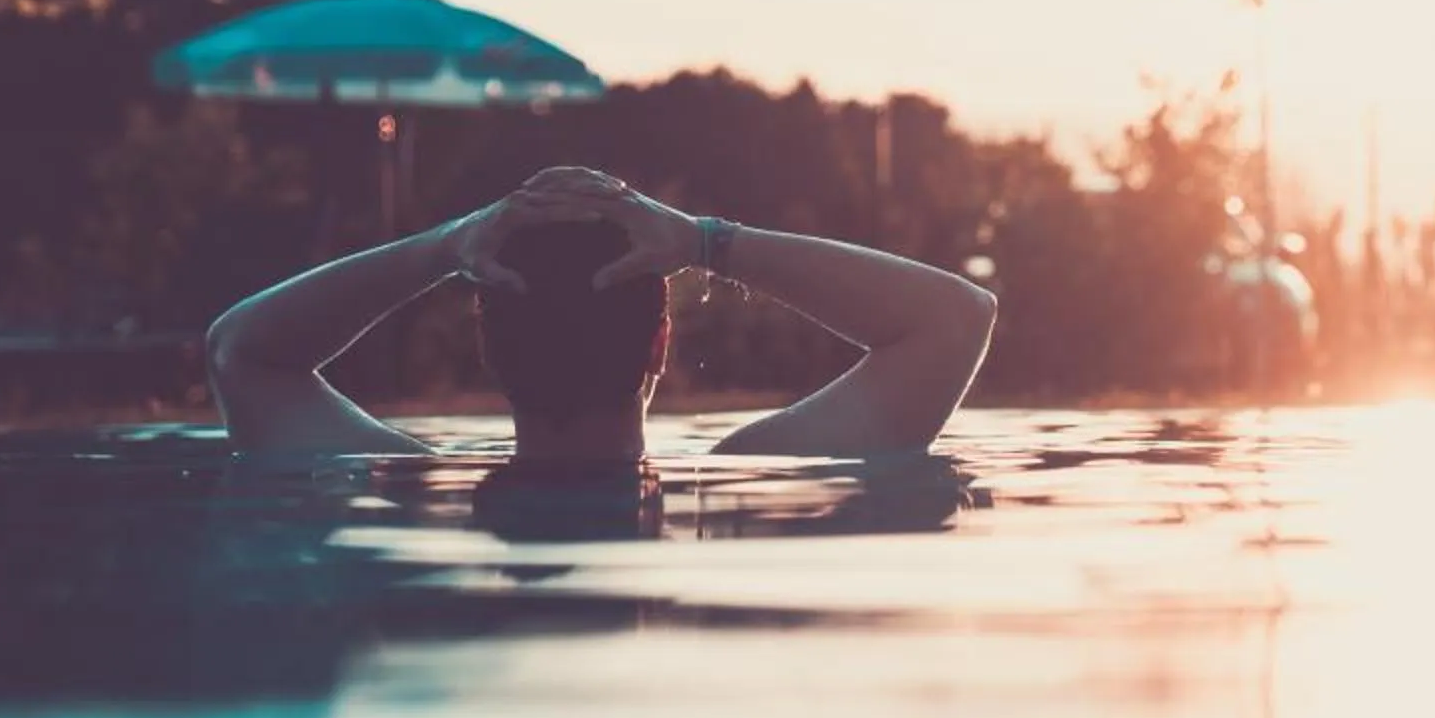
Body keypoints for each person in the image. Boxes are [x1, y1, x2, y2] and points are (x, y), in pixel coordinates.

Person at [206, 165, 997, 462]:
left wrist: (445, 246)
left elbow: (241, 349)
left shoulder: (401, 494)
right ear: (661, 344)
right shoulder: (743, 492)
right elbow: (956, 317)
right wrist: (705, 241)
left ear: (487, 344)